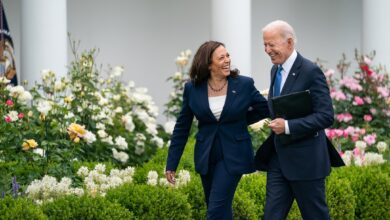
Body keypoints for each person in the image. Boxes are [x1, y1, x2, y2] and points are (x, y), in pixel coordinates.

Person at [165, 41, 269, 219]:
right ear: (208, 64)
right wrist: (171, 164)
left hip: (234, 155)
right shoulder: (192, 88)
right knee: (219, 208)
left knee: (215, 209)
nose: (227, 60)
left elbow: (264, 109)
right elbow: (182, 127)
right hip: (207, 155)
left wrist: (239, 121)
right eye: (221, 57)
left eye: (228, 56)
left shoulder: (243, 84)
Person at [255, 20, 344, 219]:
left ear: (289, 42)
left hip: (306, 162)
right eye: (264, 45)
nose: (267, 49)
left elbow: (325, 116)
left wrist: (288, 126)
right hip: (278, 160)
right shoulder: (275, 70)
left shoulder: (310, 71)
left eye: (271, 44)